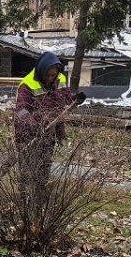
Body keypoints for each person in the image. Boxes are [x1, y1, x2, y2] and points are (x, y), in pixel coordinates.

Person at [13, 51, 82, 184]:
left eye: (54, 75)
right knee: (28, 172)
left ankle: (41, 197)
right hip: (29, 136)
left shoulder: (59, 78)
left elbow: (64, 97)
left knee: (44, 170)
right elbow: (21, 112)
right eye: (48, 75)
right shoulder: (27, 85)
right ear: (41, 71)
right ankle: (25, 200)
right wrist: (35, 126)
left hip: (49, 133)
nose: (51, 78)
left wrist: (75, 99)